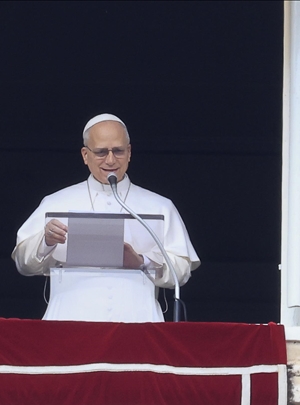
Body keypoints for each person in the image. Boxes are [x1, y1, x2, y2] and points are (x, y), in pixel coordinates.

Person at [12, 113, 200, 322]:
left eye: (118, 151)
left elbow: (182, 272)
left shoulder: (160, 206)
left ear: (129, 152)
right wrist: (45, 241)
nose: (110, 160)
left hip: (138, 321)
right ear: (85, 155)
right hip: (70, 319)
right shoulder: (56, 202)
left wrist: (141, 262)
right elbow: (23, 264)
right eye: (101, 152)